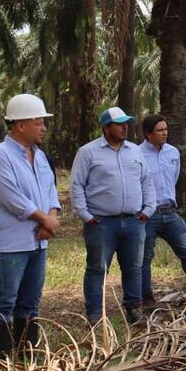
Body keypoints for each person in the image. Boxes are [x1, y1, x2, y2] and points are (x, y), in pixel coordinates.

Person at [0, 94, 62, 358]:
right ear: (20, 125)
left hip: (39, 241)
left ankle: (27, 357)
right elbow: (12, 198)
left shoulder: (39, 156)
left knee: (30, 303)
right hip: (11, 244)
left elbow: (51, 191)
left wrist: (50, 217)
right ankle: (1, 359)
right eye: (38, 122)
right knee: (4, 302)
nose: (43, 128)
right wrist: (44, 219)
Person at [70, 107, 156, 324]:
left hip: (133, 220)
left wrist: (148, 209)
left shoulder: (135, 151)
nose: (125, 127)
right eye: (119, 124)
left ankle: (134, 309)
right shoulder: (88, 152)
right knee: (97, 268)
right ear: (106, 128)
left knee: (133, 267)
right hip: (101, 222)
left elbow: (146, 180)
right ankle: (95, 315)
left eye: (126, 123)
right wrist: (85, 215)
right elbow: (77, 185)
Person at [138, 114, 186, 306]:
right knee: (145, 258)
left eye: (165, 129)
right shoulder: (136, 153)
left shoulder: (173, 153)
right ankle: (147, 297)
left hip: (170, 212)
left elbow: (173, 179)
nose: (165, 133)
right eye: (160, 130)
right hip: (147, 214)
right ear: (148, 134)